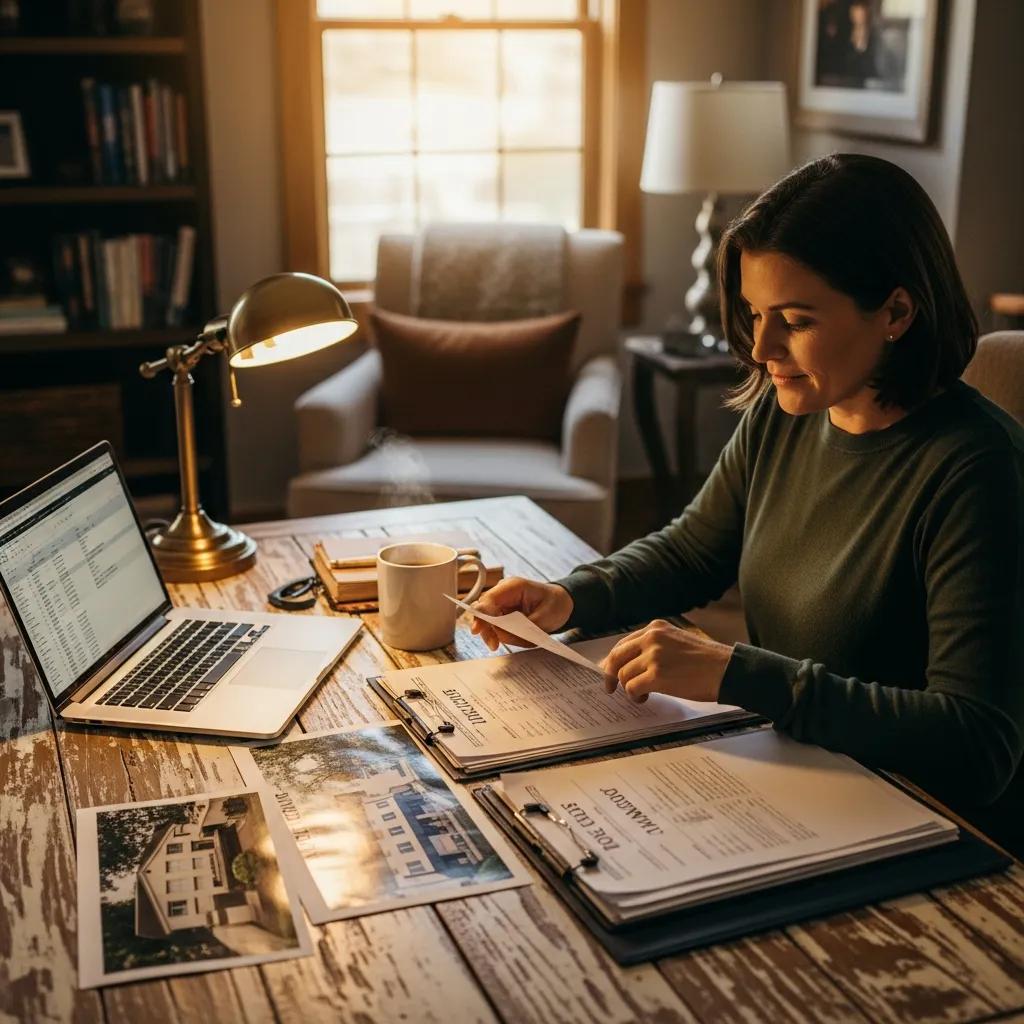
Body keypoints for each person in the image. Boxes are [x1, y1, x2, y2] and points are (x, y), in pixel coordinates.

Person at [471, 153, 1024, 851]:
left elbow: (977, 745)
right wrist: (571, 598)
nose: (762, 347)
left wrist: (741, 674)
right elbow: (695, 549)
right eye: (758, 314)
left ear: (897, 310)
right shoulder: (788, 412)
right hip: (795, 783)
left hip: (923, 833)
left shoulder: (977, 470)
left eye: (794, 318)